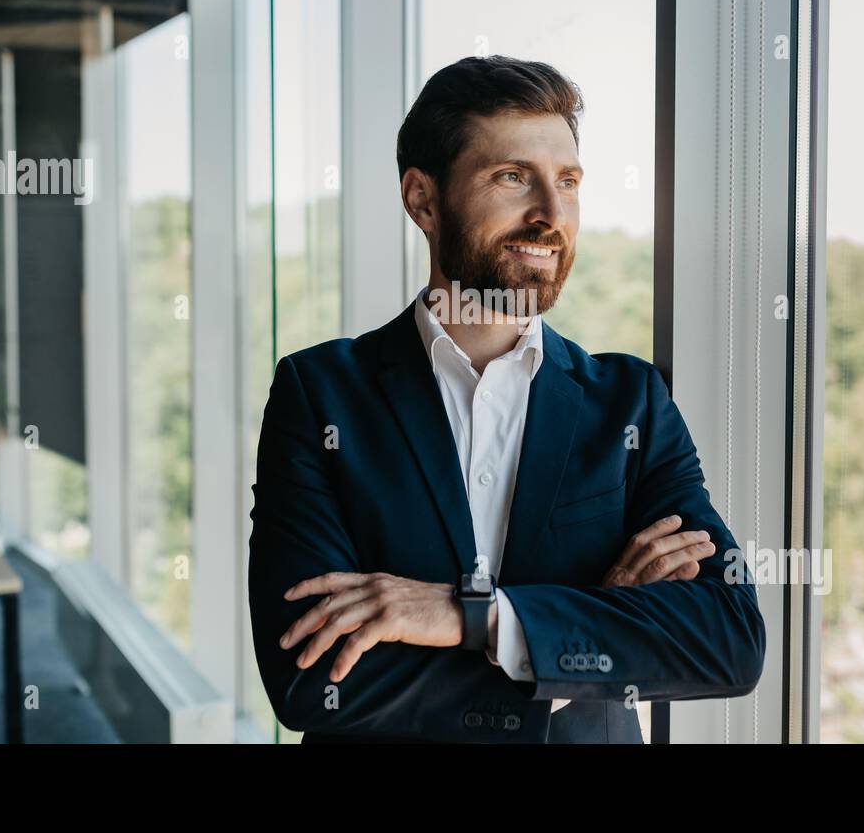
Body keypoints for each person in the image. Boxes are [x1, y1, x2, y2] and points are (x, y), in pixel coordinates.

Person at [248, 55, 765, 743]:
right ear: (423, 199)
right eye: (513, 177)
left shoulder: (631, 404)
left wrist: (471, 619)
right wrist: (578, 625)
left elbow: (728, 641)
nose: (552, 215)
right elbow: (310, 682)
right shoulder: (319, 396)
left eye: (569, 182)